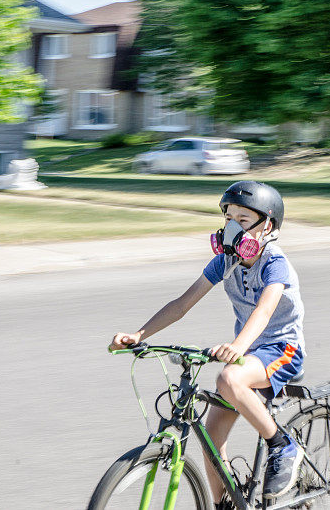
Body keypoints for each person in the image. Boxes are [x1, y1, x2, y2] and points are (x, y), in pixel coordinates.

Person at [109, 180, 306, 507]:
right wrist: (139, 335)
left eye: (243, 221)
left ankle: (282, 445)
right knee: (212, 440)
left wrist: (238, 347)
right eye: (228, 218)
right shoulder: (225, 262)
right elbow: (181, 305)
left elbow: (265, 310)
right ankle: (224, 505)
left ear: (267, 225)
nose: (232, 227)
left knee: (228, 377)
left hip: (281, 350)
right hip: (247, 352)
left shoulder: (275, 262)